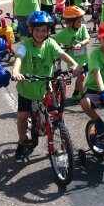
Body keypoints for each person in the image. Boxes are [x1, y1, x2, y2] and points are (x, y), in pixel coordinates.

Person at [11, 11, 82, 160]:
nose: (40, 33)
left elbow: (62, 54)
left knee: (56, 114)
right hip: (27, 88)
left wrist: (74, 64)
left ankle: (64, 141)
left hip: (45, 88)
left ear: (49, 31)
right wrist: (16, 71)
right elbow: (19, 58)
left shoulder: (50, 43)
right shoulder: (25, 45)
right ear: (31, 30)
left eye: (44, 30)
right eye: (37, 30)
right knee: (22, 116)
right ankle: (22, 141)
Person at [53, 6, 90, 101]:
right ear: (70, 23)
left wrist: (80, 44)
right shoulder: (66, 32)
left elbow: (87, 39)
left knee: (82, 77)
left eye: (81, 20)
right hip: (73, 60)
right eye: (78, 21)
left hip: (84, 58)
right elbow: (53, 39)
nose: (80, 22)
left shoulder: (82, 27)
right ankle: (83, 96)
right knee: (81, 76)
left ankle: (76, 93)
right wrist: (57, 47)